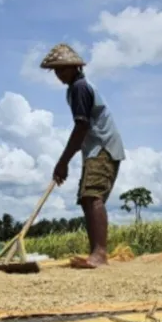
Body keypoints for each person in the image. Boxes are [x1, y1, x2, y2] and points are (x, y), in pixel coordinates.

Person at [40, 43, 126, 269]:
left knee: (92, 196)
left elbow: (81, 127)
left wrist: (62, 162)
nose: (59, 74)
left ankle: (99, 254)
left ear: (76, 67)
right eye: (56, 70)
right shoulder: (74, 89)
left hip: (103, 148)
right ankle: (95, 252)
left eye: (63, 69)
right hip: (94, 149)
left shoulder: (80, 87)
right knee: (87, 198)